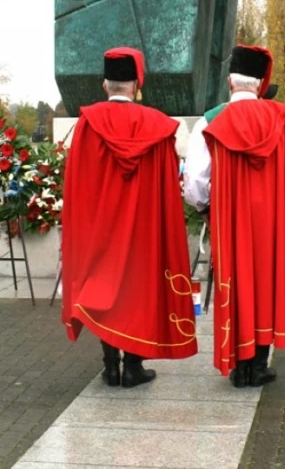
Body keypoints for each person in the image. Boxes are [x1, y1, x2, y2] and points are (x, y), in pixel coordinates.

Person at [61, 47, 197, 387]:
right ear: (137, 84)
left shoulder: (87, 124)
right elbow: (168, 187)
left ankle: (110, 365)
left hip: (103, 226)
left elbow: (78, 182)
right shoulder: (159, 126)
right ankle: (133, 366)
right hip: (143, 229)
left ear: (105, 85)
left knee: (106, 290)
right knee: (138, 292)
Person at [183, 45, 285, 387]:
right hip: (271, 221)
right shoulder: (281, 121)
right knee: (267, 283)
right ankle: (257, 364)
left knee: (236, 282)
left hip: (230, 221)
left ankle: (237, 364)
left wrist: (208, 210)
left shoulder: (210, 121)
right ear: (260, 84)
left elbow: (195, 184)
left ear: (229, 81)